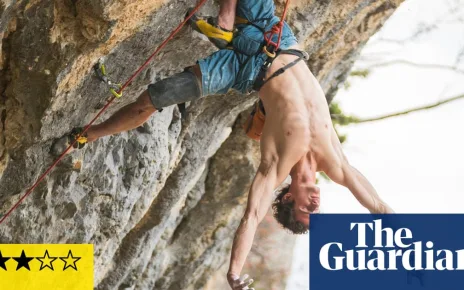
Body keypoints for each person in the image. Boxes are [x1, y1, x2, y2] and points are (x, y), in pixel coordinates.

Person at [52, 0, 394, 289]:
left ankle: (88, 134)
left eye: (307, 210)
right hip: (277, 39)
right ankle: (225, 24)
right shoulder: (335, 162)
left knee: (153, 99)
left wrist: (233, 272)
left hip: (243, 69)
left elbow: (251, 216)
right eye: (315, 211)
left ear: (290, 198)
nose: (316, 204)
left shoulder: (275, 166)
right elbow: (377, 206)